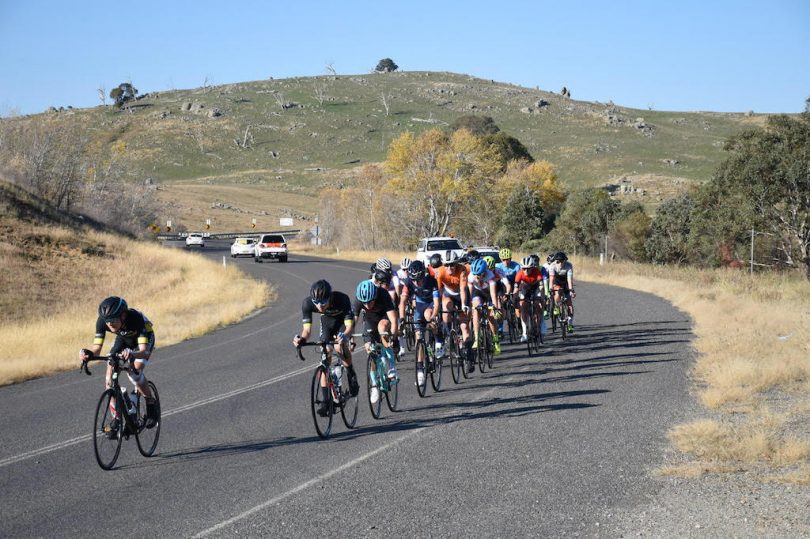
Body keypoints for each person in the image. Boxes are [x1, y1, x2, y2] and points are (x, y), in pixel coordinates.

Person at [79, 296, 158, 430]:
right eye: (107, 321)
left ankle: (150, 402)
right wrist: (88, 354)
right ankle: (117, 417)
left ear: (123, 315)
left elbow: (143, 351)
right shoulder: (102, 322)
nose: (109, 324)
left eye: (113, 320)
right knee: (109, 376)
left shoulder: (136, 319)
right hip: (124, 339)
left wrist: (132, 353)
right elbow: (97, 350)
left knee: (134, 373)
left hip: (143, 338)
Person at [293, 280, 359, 416]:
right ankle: (326, 401)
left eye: (323, 302)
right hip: (327, 322)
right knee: (325, 352)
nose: (319, 306)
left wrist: (345, 337)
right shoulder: (307, 304)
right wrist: (301, 339)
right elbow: (307, 330)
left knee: (339, 347)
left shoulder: (342, 299)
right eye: (316, 303)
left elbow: (349, 328)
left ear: (329, 298)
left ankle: (351, 373)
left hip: (342, 323)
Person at [353, 279, 400, 404]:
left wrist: (394, 339)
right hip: (369, 321)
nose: (367, 305)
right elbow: (353, 322)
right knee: (370, 350)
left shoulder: (383, 294)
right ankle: (374, 385)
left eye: (370, 301)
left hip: (384, 317)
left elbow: (394, 320)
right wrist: (350, 338)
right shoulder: (359, 300)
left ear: (375, 296)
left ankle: (391, 366)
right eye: (365, 303)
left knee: (382, 328)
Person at [399, 260, 443, 387]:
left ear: (424, 275)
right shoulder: (408, 282)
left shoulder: (431, 281)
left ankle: (439, 340)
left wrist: (434, 317)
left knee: (428, 316)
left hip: (430, 304)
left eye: (419, 279)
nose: (417, 282)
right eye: (414, 280)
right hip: (419, 305)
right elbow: (402, 302)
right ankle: (420, 372)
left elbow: (437, 302)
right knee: (419, 338)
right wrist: (402, 318)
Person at [435, 252, 474, 372]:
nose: (449, 268)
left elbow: (463, 289)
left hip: (461, 294)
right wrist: (437, 309)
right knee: (446, 309)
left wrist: (464, 305)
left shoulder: (462, 270)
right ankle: (448, 335)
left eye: (452, 265)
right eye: (446, 265)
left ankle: (469, 356)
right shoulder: (440, 272)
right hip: (448, 294)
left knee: (465, 327)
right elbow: (438, 292)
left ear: (456, 264)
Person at [467, 257, 502, 356]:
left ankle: (495, 340)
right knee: (476, 309)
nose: (476, 277)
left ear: (484, 273)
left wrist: (494, 307)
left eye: (479, 275)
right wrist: (469, 307)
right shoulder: (470, 277)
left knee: (491, 316)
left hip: (489, 294)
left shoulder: (490, 276)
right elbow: (469, 294)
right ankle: (477, 338)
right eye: (475, 275)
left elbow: (493, 295)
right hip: (478, 293)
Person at [515, 256, 548, 343]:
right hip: (525, 288)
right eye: (524, 269)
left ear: (532, 267)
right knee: (523, 307)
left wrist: (542, 297)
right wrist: (515, 297)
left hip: (536, 288)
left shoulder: (537, 272)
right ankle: (524, 333)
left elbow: (541, 287)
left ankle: (541, 324)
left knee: (538, 304)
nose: (526, 271)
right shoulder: (519, 273)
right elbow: (516, 288)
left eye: (528, 269)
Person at [549, 251, 576, 332]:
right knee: (557, 292)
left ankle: (570, 324)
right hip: (556, 282)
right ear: (555, 261)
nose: (560, 263)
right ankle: (557, 307)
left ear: (565, 261)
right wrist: (550, 288)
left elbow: (569, 279)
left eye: (562, 261)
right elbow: (551, 279)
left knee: (570, 305)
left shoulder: (569, 265)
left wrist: (571, 290)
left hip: (565, 283)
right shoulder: (552, 266)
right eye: (558, 261)